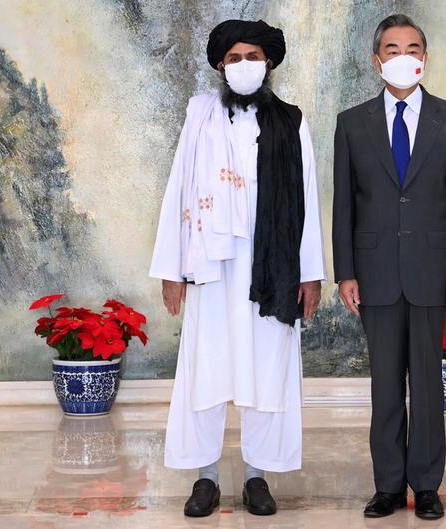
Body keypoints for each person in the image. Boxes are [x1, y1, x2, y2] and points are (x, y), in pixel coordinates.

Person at [149, 19, 325, 518]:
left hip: (272, 267)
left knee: (266, 368)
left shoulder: (291, 122)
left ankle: (257, 476)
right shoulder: (199, 117)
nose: (244, 65)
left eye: (253, 56)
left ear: (268, 63)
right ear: (220, 66)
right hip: (209, 265)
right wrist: (171, 268)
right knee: (206, 367)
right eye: (233, 58)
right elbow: (179, 188)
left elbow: (307, 201)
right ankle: (204, 478)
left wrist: (310, 273)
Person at [331, 13, 446, 520]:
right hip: (374, 274)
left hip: (432, 271)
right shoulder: (351, 124)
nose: (403, 57)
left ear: (426, 58)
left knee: (429, 386)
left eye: (412, 48)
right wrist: (345, 272)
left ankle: (427, 485)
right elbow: (344, 205)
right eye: (392, 49)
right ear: (377, 61)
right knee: (385, 384)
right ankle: (389, 486)